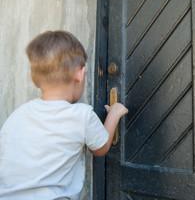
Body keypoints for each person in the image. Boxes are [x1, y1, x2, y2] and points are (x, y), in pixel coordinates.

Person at [0, 30, 128, 199]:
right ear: (80, 75)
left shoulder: (17, 115)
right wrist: (114, 114)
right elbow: (101, 147)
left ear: (34, 79)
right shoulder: (81, 115)